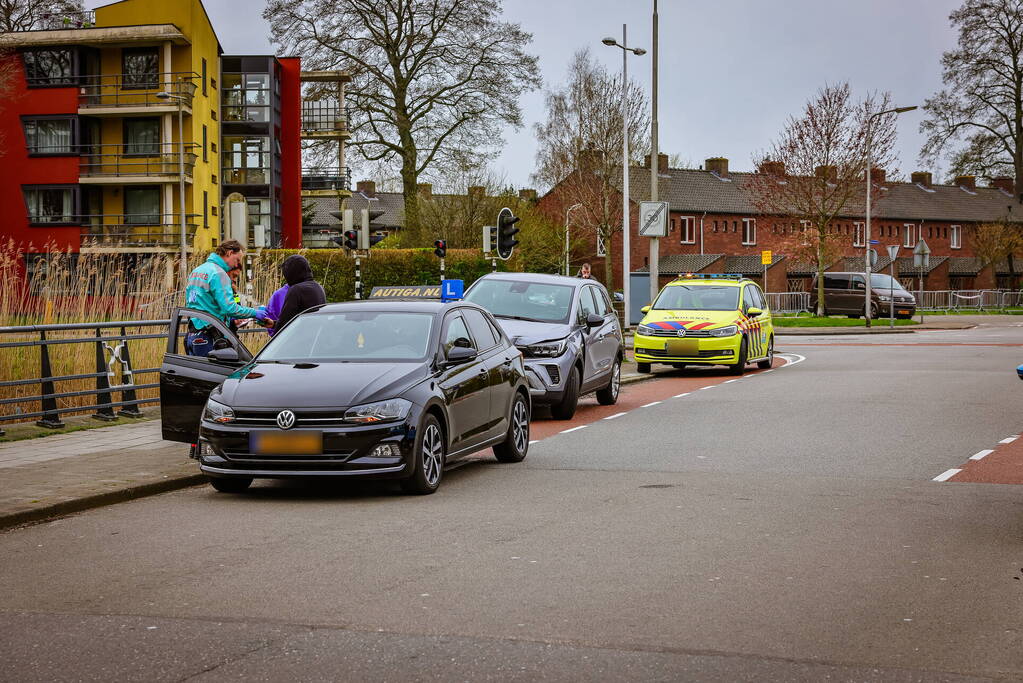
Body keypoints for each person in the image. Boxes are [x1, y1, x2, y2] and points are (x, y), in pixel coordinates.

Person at [184, 240, 271, 356]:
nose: (236, 265)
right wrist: (254, 313)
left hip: (193, 334)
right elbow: (229, 308)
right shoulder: (219, 274)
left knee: (197, 373)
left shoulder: (197, 271)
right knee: (215, 373)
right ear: (229, 253)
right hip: (212, 336)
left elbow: (190, 302)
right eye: (237, 260)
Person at [274, 254, 325, 332]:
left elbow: (285, 322)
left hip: (300, 338)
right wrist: (274, 324)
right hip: (315, 336)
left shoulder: (296, 290)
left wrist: (275, 337)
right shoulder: (319, 287)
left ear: (291, 273)